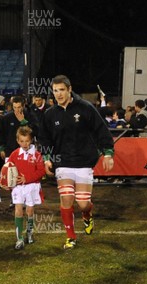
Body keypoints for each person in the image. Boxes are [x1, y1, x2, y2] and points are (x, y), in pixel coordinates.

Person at [38, 75, 115, 249]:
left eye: (62, 90)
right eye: (55, 91)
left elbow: (100, 130)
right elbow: (44, 138)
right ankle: (70, 237)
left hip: (84, 163)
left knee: (83, 203)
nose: (58, 94)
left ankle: (87, 215)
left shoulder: (86, 108)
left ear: (69, 89)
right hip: (63, 163)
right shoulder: (50, 114)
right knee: (66, 199)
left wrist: (108, 153)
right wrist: (46, 158)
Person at [0, 126, 46, 250]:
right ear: (17, 141)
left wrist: (28, 178)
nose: (24, 144)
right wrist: (2, 181)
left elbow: (42, 171)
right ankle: (19, 238)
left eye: (27, 141)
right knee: (18, 210)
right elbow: (6, 169)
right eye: (21, 141)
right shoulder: (14, 154)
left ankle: (29, 232)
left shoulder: (37, 155)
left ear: (31, 140)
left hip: (32, 186)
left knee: (30, 211)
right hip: (18, 187)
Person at [0, 96, 39, 163]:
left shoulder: (31, 116)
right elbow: (2, 134)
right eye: (15, 107)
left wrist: (23, 121)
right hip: (10, 151)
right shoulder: (7, 118)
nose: (17, 110)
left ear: (23, 106)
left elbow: (36, 131)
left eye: (19, 107)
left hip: (27, 151)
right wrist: (1, 148)